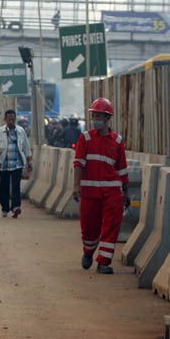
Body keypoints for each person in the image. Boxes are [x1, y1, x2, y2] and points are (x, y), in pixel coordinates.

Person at [71, 98, 130, 275]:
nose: (95, 118)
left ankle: (104, 262)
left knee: (112, 225)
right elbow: (78, 164)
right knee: (89, 228)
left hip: (112, 192)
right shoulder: (85, 138)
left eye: (98, 115)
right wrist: (76, 186)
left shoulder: (117, 141)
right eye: (93, 115)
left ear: (107, 118)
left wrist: (125, 192)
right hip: (90, 193)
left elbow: (122, 169)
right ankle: (88, 251)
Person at [0, 109, 33, 218]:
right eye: (9, 119)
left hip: (17, 164)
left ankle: (15, 207)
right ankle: (5, 208)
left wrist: (29, 161)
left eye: (13, 119)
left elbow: (26, 148)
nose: (11, 121)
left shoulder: (21, 131)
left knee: (16, 186)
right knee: (4, 187)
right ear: (5, 119)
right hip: (3, 164)